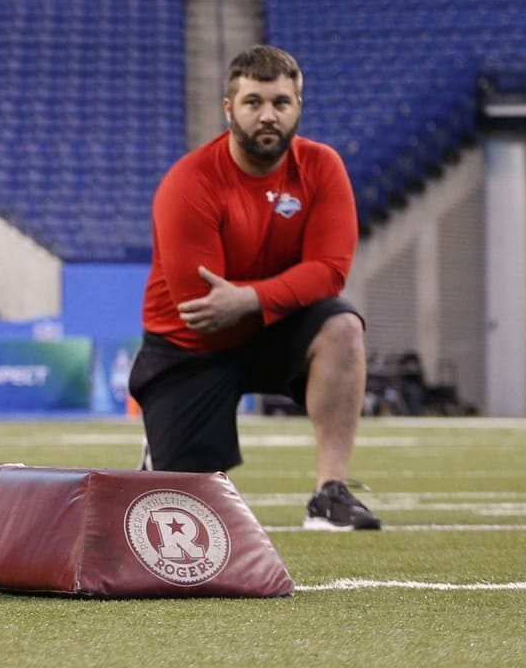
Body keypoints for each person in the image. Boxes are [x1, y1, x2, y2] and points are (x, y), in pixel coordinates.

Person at [129, 44, 380, 531]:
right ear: (229, 109)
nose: (268, 115)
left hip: (267, 326)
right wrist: (284, 290)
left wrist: (251, 298)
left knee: (342, 326)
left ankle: (330, 493)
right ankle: (161, 448)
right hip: (190, 348)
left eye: (281, 103)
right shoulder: (189, 182)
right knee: (180, 513)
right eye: (253, 102)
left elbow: (330, 271)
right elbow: (201, 306)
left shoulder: (322, 167)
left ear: (298, 107)